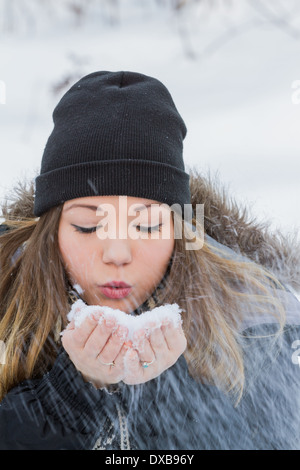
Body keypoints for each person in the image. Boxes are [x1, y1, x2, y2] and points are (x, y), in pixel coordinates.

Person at [0, 71, 299, 450]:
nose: (117, 254)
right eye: (88, 227)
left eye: (146, 226)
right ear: (52, 230)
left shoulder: (265, 328)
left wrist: (169, 398)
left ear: (179, 231)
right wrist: (71, 398)